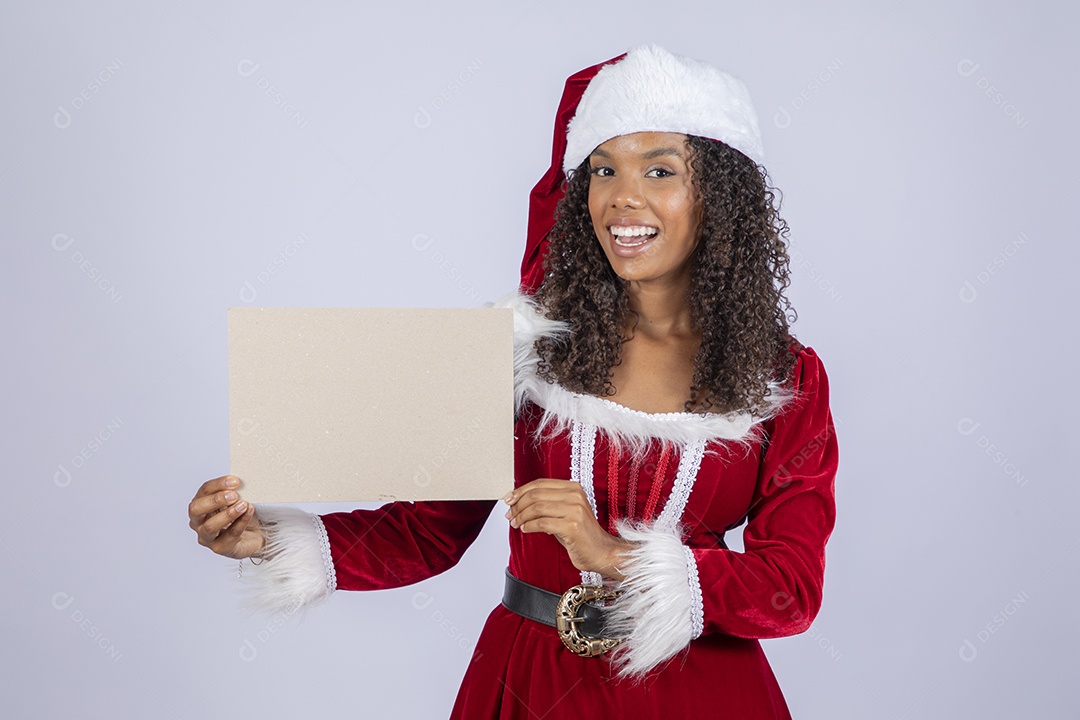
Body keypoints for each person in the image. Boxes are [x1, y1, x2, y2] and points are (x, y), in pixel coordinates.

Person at [189, 44, 838, 719]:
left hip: (701, 696)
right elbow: (429, 530)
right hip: (527, 684)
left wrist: (612, 554)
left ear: (721, 196)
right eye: (603, 169)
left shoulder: (785, 380)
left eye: (659, 169)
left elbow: (790, 589)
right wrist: (265, 536)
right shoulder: (523, 348)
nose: (623, 196)